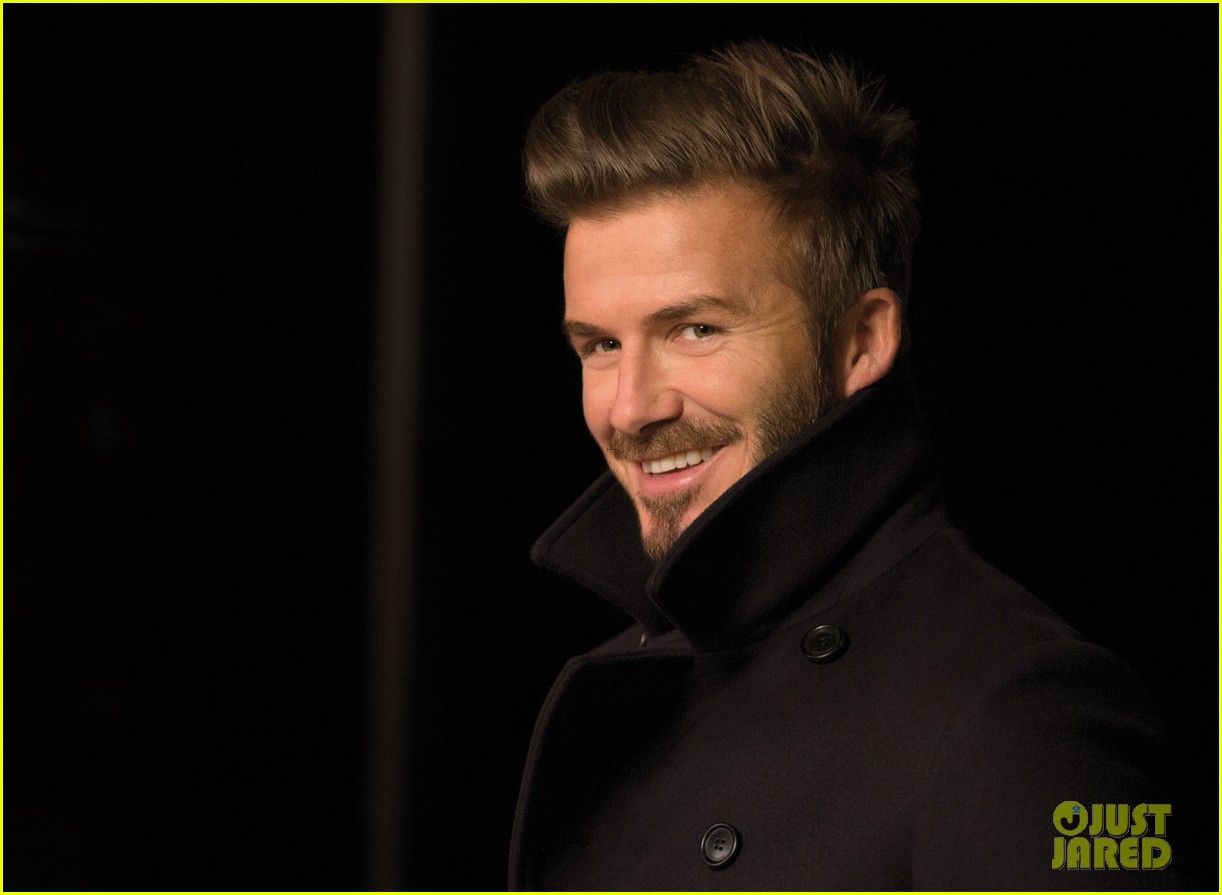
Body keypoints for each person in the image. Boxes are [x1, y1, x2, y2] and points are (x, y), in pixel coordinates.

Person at [509, 41, 1188, 890]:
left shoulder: (1027, 711)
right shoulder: (630, 690)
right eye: (601, 345)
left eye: (695, 330)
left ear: (860, 341)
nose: (630, 408)